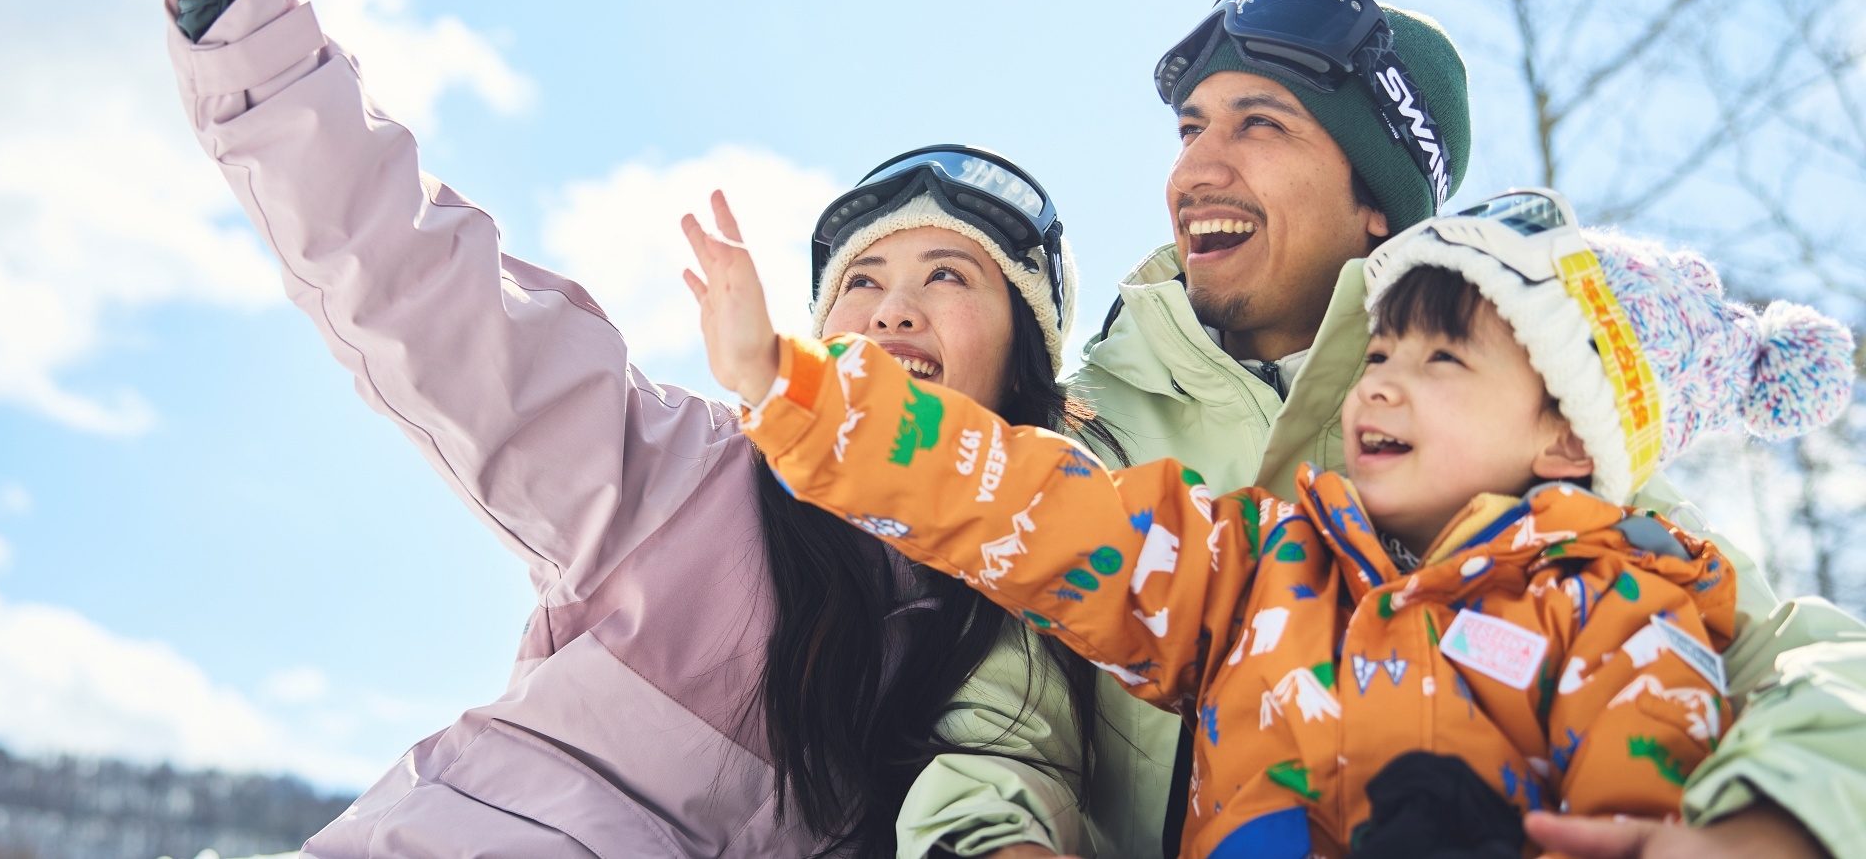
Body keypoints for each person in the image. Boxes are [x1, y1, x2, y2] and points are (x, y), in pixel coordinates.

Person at [144, 0, 1173, 857]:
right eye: (859, 284)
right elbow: (415, 282)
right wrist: (237, 10)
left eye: (950, 277)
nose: (891, 310)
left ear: (1026, 359)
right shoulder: (682, 480)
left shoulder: (1021, 638)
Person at [686, 182, 1857, 858]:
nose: (1380, 384)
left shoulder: (1628, 605)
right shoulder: (1254, 566)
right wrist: (794, 385)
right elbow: (1034, 502)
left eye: (1442, 358)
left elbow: (1633, 794)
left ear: (1565, 439)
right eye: (1379, 349)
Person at [1049, 0, 1866, 859]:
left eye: (1259, 125)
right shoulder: (1087, 418)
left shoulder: (1498, 422)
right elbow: (993, 725)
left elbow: (1802, 657)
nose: (1194, 170)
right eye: (1191, 128)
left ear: (1375, 199)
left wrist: (1774, 823)